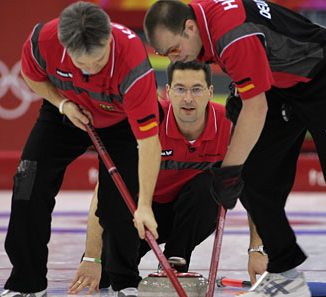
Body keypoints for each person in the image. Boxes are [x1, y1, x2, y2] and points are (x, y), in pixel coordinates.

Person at [143, 1, 326, 297]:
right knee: (253, 177)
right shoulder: (200, 19)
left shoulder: (233, 34)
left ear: (190, 27)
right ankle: (285, 273)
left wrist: (228, 169)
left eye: (172, 50)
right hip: (282, 85)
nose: (172, 60)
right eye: (164, 54)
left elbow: (255, 107)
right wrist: (235, 167)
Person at [0, 2, 163, 297]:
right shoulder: (43, 40)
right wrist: (62, 103)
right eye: (81, 63)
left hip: (120, 121)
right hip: (66, 110)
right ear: (64, 46)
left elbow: (149, 141)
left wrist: (146, 206)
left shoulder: (133, 61)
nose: (89, 69)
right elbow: (32, 75)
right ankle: (27, 284)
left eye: (98, 61)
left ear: (108, 41)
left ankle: (123, 281)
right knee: (27, 184)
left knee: (120, 205)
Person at [67, 61, 232, 296]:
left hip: (185, 212)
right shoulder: (148, 121)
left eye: (196, 89)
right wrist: (93, 256)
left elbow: (254, 184)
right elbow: (105, 193)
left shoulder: (228, 123)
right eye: (180, 89)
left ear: (210, 92)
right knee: (106, 279)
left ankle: (176, 263)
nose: (188, 98)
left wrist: (257, 249)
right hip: (138, 215)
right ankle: (119, 267)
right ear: (168, 92)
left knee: (209, 187)